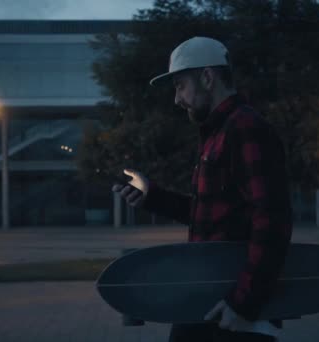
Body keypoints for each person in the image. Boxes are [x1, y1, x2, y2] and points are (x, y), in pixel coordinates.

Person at [112, 36, 292, 342]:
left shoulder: (245, 128)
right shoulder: (218, 133)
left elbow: (272, 219)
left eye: (180, 85)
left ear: (207, 77)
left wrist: (244, 302)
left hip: (233, 313)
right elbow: (213, 217)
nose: (176, 99)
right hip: (208, 298)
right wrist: (152, 197)